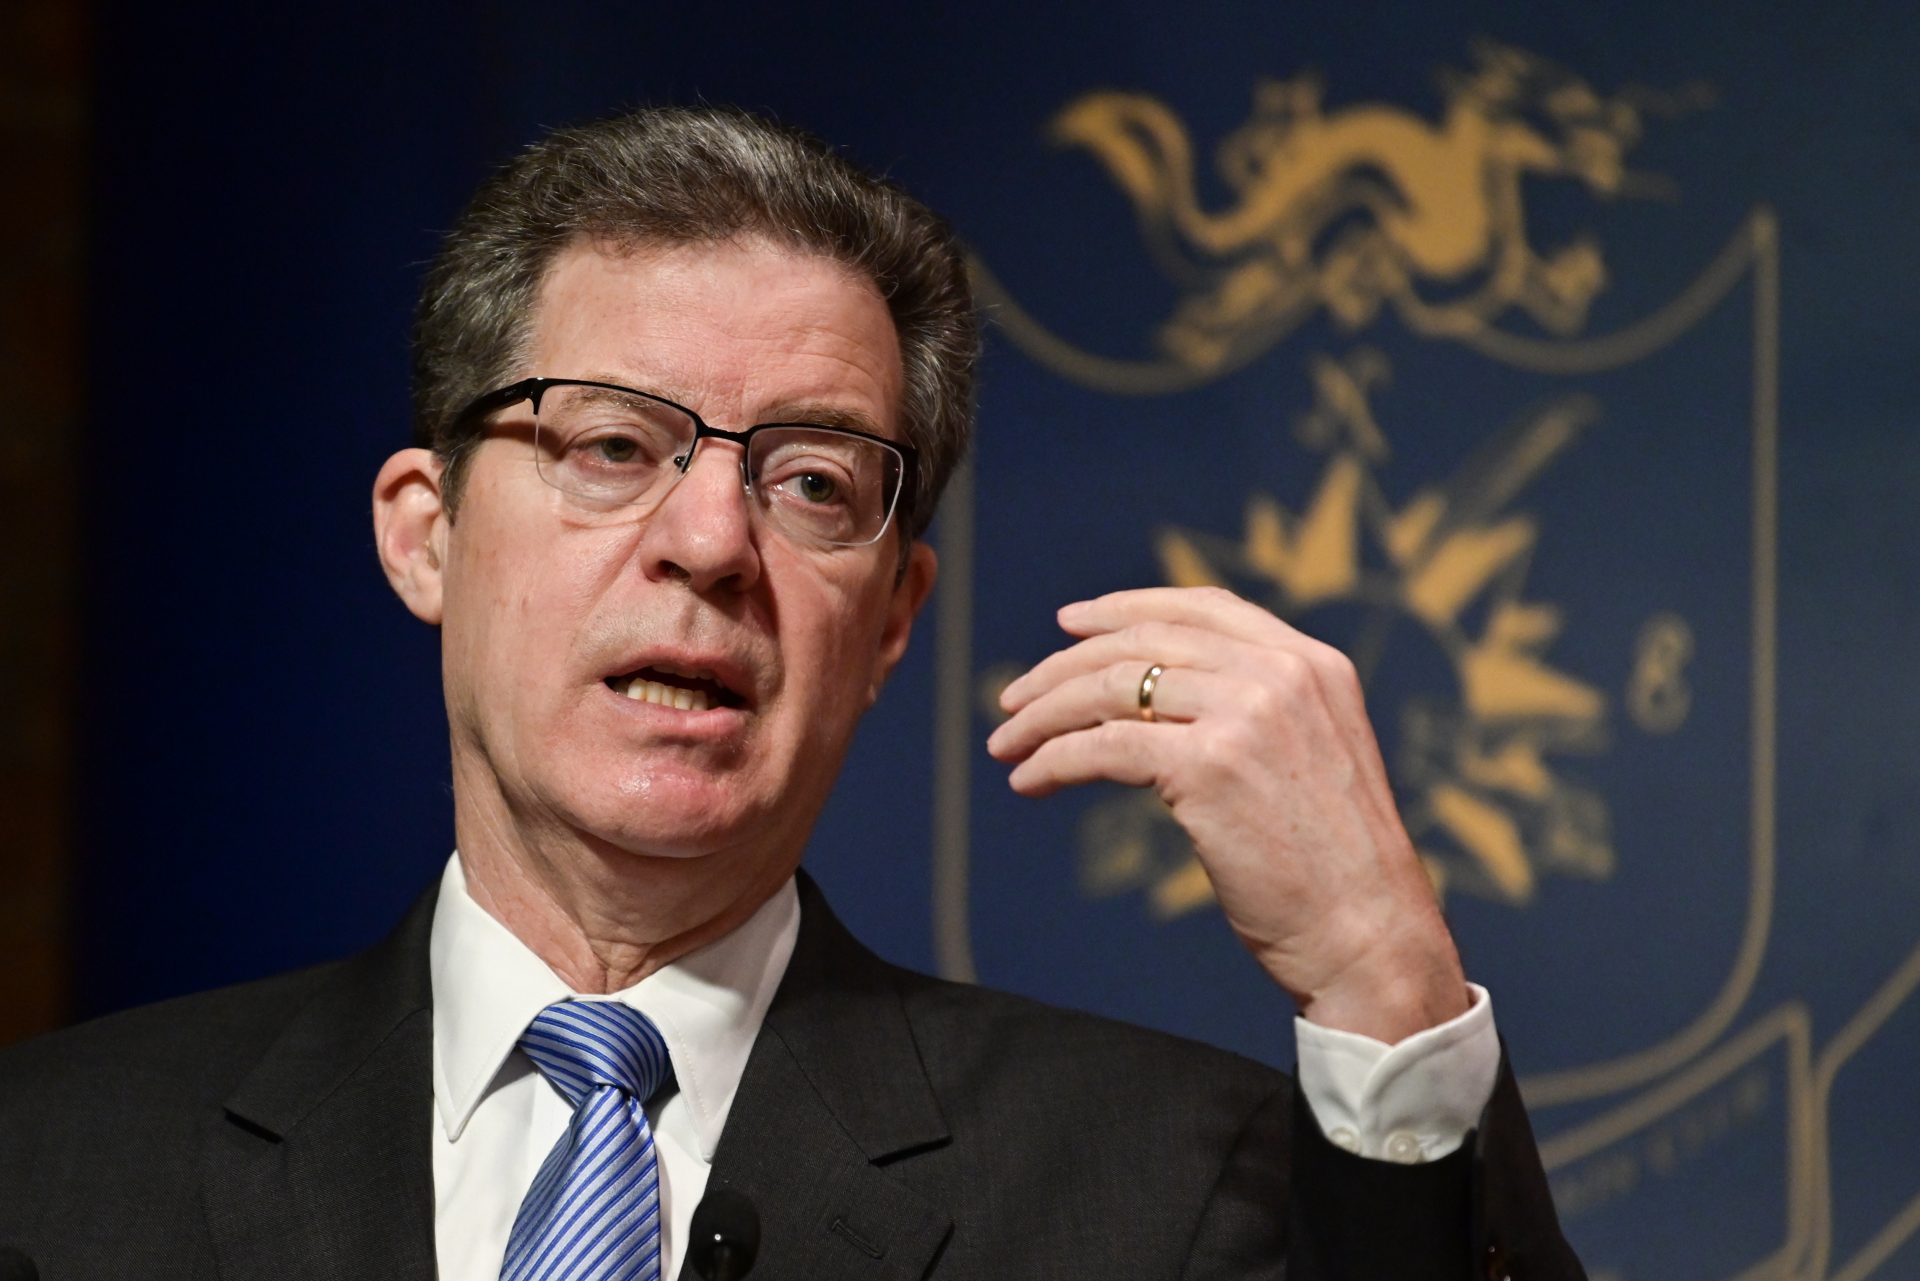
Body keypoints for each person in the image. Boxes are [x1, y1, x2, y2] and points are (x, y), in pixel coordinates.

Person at [0, 106, 1582, 1280]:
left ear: (893, 618)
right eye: (612, 444)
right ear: (428, 532)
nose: (710, 541)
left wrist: (1384, 971)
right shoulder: (52, 1167)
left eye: (813, 480)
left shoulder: (1173, 1185)